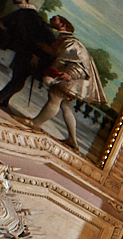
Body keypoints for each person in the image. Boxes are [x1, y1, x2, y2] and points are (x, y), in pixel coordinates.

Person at [29, 15, 105, 146]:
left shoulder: (72, 42)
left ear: (63, 24)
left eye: (55, 18)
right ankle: (73, 141)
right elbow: (57, 54)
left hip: (71, 78)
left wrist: (70, 75)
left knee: (55, 97)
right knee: (65, 105)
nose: (52, 19)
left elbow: (82, 65)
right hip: (69, 77)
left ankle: (35, 123)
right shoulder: (63, 39)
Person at [0, 0, 57, 110]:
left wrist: (35, 54)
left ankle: (0, 97)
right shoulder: (22, 12)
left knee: (19, 76)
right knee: (18, 75)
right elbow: (13, 30)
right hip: (25, 50)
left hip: (31, 53)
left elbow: (32, 37)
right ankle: (4, 99)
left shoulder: (30, 15)